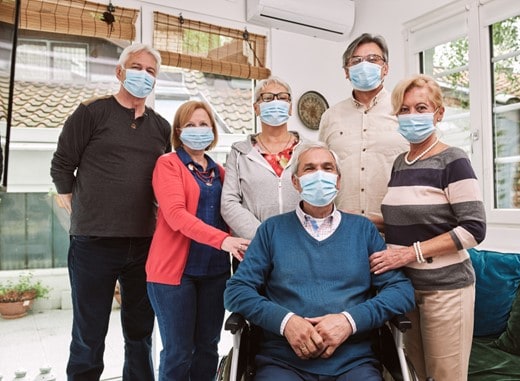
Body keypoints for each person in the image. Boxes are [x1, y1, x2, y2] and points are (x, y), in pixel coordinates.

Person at [224, 141, 415, 380]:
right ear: (295, 182)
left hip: (353, 362)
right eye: (309, 169)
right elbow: (236, 291)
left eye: (327, 168)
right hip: (282, 362)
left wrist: (349, 321)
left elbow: (400, 291)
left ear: (338, 180)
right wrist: (287, 322)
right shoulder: (272, 230)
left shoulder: (362, 231)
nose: (319, 175)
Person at [50, 43, 171, 380]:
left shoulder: (161, 128)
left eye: (150, 71)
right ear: (120, 72)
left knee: (140, 332)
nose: (143, 75)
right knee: (88, 335)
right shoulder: (91, 113)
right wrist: (82, 207)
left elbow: (168, 180)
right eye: (136, 67)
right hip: (93, 243)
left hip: (145, 245)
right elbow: (62, 166)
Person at [369, 74, 487, 381]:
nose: (411, 116)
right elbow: (409, 220)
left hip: (446, 289)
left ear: (438, 113)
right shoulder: (400, 163)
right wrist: (368, 222)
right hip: (406, 288)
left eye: (420, 107)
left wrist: (409, 254)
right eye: (404, 109)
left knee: (445, 375)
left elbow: (473, 229)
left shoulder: (453, 160)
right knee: (414, 373)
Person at [145, 100, 250, 381]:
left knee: (208, 348)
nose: (197, 129)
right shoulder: (168, 165)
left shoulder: (221, 172)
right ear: (178, 132)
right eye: (190, 125)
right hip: (174, 275)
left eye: (203, 124)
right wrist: (224, 241)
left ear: (213, 130)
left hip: (214, 273)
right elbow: (176, 216)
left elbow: (233, 212)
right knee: (178, 352)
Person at [318, 33, 408, 232]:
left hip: (396, 230)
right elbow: (322, 169)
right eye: (356, 61)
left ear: (385, 68)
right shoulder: (330, 116)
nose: (364, 65)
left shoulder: (404, 109)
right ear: (347, 71)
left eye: (373, 59)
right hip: (343, 231)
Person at [221, 76, 302, 240]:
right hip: (254, 246)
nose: (275, 102)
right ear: (256, 108)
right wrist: (264, 237)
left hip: (300, 245)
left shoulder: (308, 151)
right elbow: (229, 203)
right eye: (268, 98)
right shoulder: (239, 153)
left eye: (282, 97)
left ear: (290, 107)